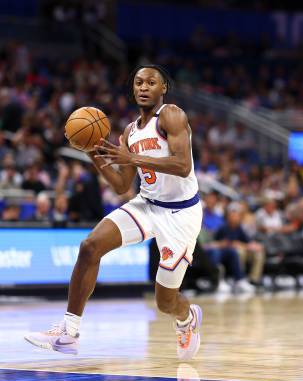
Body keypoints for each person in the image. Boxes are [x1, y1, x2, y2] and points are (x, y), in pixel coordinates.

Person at [25, 64, 204, 360]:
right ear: (133, 89)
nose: (144, 87)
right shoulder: (130, 132)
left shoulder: (172, 115)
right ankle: (69, 332)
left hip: (181, 215)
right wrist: (94, 152)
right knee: (90, 246)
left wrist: (130, 156)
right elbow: (122, 185)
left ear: (163, 89)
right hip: (147, 204)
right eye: (138, 83)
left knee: (164, 301)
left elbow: (183, 166)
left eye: (151, 82)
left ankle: (187, 318)